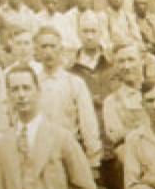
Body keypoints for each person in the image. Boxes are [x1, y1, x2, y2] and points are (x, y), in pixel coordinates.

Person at [34, 25, 103, 170]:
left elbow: (88, 122)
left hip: (69, 154)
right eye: (44, 47)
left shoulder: (74, 83)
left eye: (52, 46)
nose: (48, 52)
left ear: (60, 49)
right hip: (39, 155)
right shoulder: (33, 84)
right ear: (37, 51)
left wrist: (93, 160)